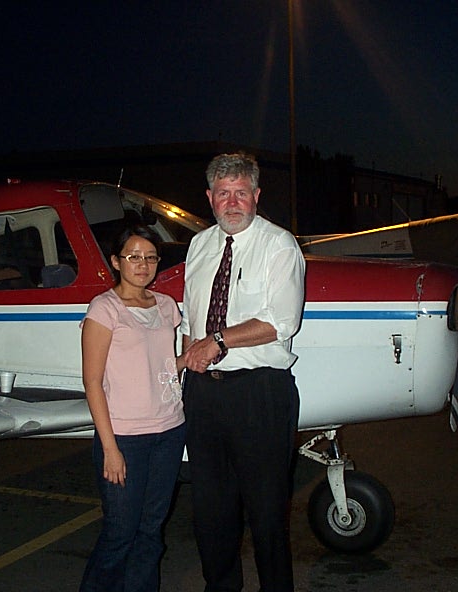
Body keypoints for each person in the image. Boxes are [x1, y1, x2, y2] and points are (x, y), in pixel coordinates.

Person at [180, 153, 306, 592]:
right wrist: (182, 365)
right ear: (209, 198)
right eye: (222, 194)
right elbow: (190, 320)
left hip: (260, 394)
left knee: (267, 515)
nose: (232, 202)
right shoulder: (199, 247)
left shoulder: (279, 245)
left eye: (240, 193)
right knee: (211, 512)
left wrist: (216, 341)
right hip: (205, 396)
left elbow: (280, 321)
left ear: (255, 196)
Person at [79, 225, 186, 592]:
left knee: (151, 530)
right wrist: (110, 449)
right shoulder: (104, 309)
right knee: (120, 533)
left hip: (170, 431)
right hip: (125, 437)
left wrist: (191, 356)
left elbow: (164, 364)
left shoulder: (167, 306)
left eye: (150, 257)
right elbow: (92, 381)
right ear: (116, 261)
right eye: (133, 256)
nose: (143, 264)